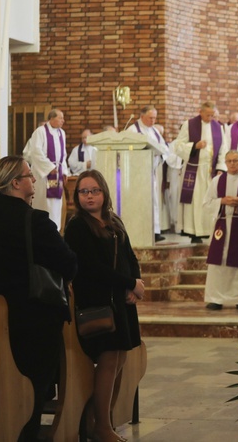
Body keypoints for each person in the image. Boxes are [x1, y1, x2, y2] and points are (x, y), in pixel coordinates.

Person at [0, 156, 77, 442]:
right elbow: (68, 263)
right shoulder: (34, 220)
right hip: (31, 320)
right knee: (33, 387)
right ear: (16, 183)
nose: (34, 180)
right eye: (30, 175)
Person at [65, 169, 143, 442]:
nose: (89, 196)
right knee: (108, 360)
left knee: (119, 358)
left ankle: (100, 419)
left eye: (94, 190)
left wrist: (136, 281)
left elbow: (129, 255)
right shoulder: (77, 225)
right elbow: (90, 267)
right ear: (77, 196)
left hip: (119, 301)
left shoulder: (113, 220)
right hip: (97, 301)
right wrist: (128, 282)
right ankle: (101, 426)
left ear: (104, 192)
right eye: (84, 191)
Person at [171, 101, 226, 243]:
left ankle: (209, 230)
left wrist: (220, 168)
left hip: (210, 171)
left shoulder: (218, 127)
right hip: (193, 170)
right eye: (207, 115)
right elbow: (177, 146)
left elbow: (223, 150)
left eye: (212, 115)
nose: (210, 118)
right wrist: (195, 146)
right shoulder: (189, 125)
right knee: (195, 202)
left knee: (209, 200)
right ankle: (194, 232)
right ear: (200, 112)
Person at [203, 150, 238, 310]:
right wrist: (221, 201)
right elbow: (206, 203)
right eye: (229, 161)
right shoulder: (217, 181)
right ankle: (216, 298)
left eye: (235, 160)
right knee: (219, 262)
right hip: (222, 226)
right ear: (225, 162)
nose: (232, 164)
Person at [126, 106, 167, 241]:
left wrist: (160, 156)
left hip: (151, 172)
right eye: (150, 117)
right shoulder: (132, 131)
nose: (153, 120)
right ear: (142, 116)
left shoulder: (154, 131)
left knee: (153, 201)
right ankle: (140, 229)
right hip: (136, 174)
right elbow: (127, 151)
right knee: (139, 201)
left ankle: (154, 231)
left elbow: (164, 148)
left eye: (155, 118)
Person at [23, 109, 69, 227]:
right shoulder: (40, 132)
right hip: (43, 175)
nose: (63, 121)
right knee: (44, 203)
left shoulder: (61, 133)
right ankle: (41, 227)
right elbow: (36, 152)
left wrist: (64, 171)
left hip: (56, 174)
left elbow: (63, 155)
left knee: (55, 205)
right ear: (52, 118)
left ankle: (56, 229)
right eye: (60, 118)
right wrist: (49, 167)